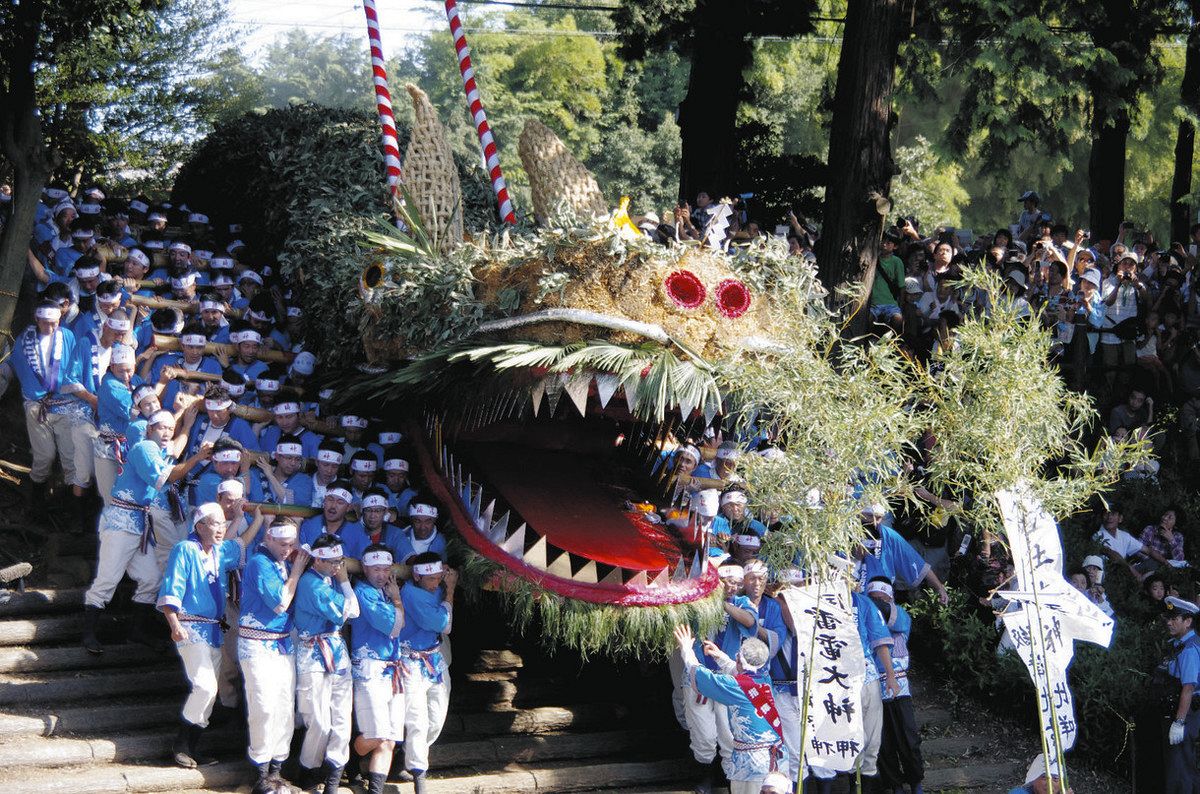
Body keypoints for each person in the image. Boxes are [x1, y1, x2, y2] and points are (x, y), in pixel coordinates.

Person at [81, 407, 209, 655]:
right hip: (121, 522)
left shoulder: (158, 450)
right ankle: (88, 634)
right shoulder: (144, 449)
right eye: (162, 427)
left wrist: (186, 424)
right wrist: (197, 458)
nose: (167, 433)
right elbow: (167, 478)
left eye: (170, 429)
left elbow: (175, 448)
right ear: (150, 429)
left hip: (139, 523)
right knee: (108, 578)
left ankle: (137, 631)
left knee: (151, 577)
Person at [157, 502, 263, 768]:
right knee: (205, 686)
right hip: (190, 626)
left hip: (214, 629)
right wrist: (173, 622)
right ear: (200, 525)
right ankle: (180, 743)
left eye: (222, 524)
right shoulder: (185, 549)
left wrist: (258, 520)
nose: (221, 528)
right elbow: (173, 584)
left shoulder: (217, 551)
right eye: (215, 523)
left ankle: (191, 747)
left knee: (209, 691)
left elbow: (240, 544)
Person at [239, 519, 307, 792]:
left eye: (291, 545)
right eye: (282, 544)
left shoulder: (283, 561)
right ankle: (261, 770)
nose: (287, 550)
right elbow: (280, 602)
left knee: (283, 707)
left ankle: (277, 770)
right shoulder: (259, 562)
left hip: (281, 644)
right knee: (263, 706)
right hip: (256, 643)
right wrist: (297, 572)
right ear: (269, 537)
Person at [672, 624, 782, 794]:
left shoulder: (734, 686)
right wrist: (720, 656)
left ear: (739, 660)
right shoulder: (764, 679)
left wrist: (687, 649)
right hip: (775, 760)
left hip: (750, 764)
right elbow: (737, 669)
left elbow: (698, 673)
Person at [294, 532, 361, 793]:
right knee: (319, 720)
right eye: (333, 562)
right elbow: (352, 610)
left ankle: (333, 777)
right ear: (317, 561)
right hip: (312, 653)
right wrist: (345, 582)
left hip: (336, 650)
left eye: (339, 562)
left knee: (342, 718)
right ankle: (307, 770)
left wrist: (340, 581)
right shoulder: (312, 583)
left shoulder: (327, 579)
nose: (337, 567)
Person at [11, 299, 89, 509]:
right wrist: (39, 394)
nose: (51, 327)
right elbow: (20, 368)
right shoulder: (24, 340)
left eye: (55, 322)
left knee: (70, 457)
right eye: (45, 322)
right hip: (37, 405)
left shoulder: (68, 336)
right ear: (37, 319)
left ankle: (73, 509)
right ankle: (36, 502)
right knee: (44, 456)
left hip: (65, 403)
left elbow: (75, 366)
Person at [398, 552, 458, 792]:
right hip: (411, 660)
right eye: (430, 579)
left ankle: (410, 754)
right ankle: (418, 774)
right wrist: (450, 591)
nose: (436, 583)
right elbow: (445, 624)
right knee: (417, 719)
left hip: (434, 658)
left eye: (438, 578)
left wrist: (445, 586)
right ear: (416, 576)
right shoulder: (411, 594)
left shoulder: (435, 589)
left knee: (437, 714)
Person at [350, 544, 407, 794]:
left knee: (390, 738)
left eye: (385, 569)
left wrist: (394, 599)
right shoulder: (363, 591)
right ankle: (349, 756)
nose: (381, 575)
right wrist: (397, 600)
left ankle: (375, 789)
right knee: (378, 732)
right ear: (365, 568)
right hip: (369, 668)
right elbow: (391, 626)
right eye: (376, 569)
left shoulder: (386, 592)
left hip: (393, 669)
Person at [866, 577, 924, 794]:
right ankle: (895, 786)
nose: (878, 603)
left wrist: (871, 604)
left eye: (883, 598)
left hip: (900, 687)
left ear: (891, 597)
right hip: (874, 690)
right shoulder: (864, 618)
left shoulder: (901, 615)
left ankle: (916, 783)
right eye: (873, 599)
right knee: (883, 744)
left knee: (909, 739)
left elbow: (890, 616)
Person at [1093, 505, 1171, 580]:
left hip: (1124, 571)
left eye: (1113, 514)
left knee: (1153, 563)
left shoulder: (1124, 535)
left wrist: (1167, 564)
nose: (1109, 517)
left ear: (1120, 518)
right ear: (1102, 517)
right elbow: (1113, 555)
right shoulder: (1097, 535)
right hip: (1106, 574)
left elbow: (1148, 550)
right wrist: (1134, 572)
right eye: (1106, 513)